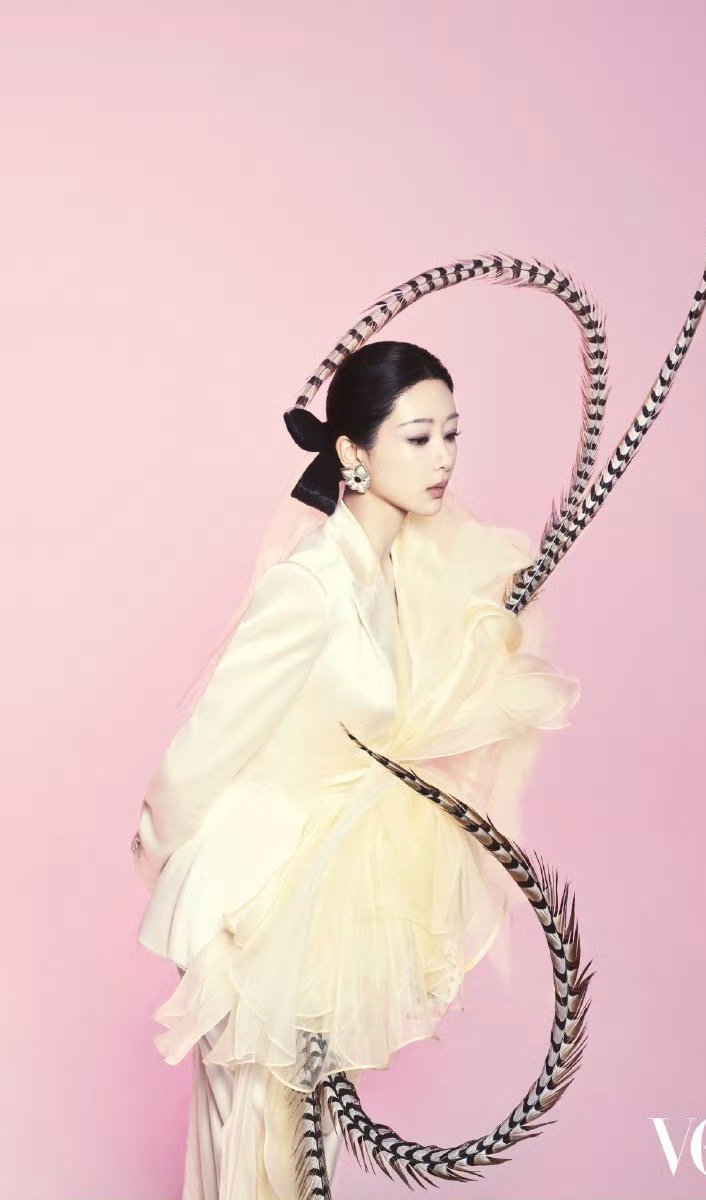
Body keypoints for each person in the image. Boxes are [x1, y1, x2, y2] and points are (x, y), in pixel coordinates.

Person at [132, 341, 582, 1198]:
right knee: (253, 1148)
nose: (444, 458)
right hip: (252, 902)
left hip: (326, 902)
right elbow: (204, 748)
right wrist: (167, 861)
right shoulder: (309, 586)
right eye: (418, 437)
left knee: (308, 1155)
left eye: (452, 434)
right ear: (353, 452)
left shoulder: (394, 576)